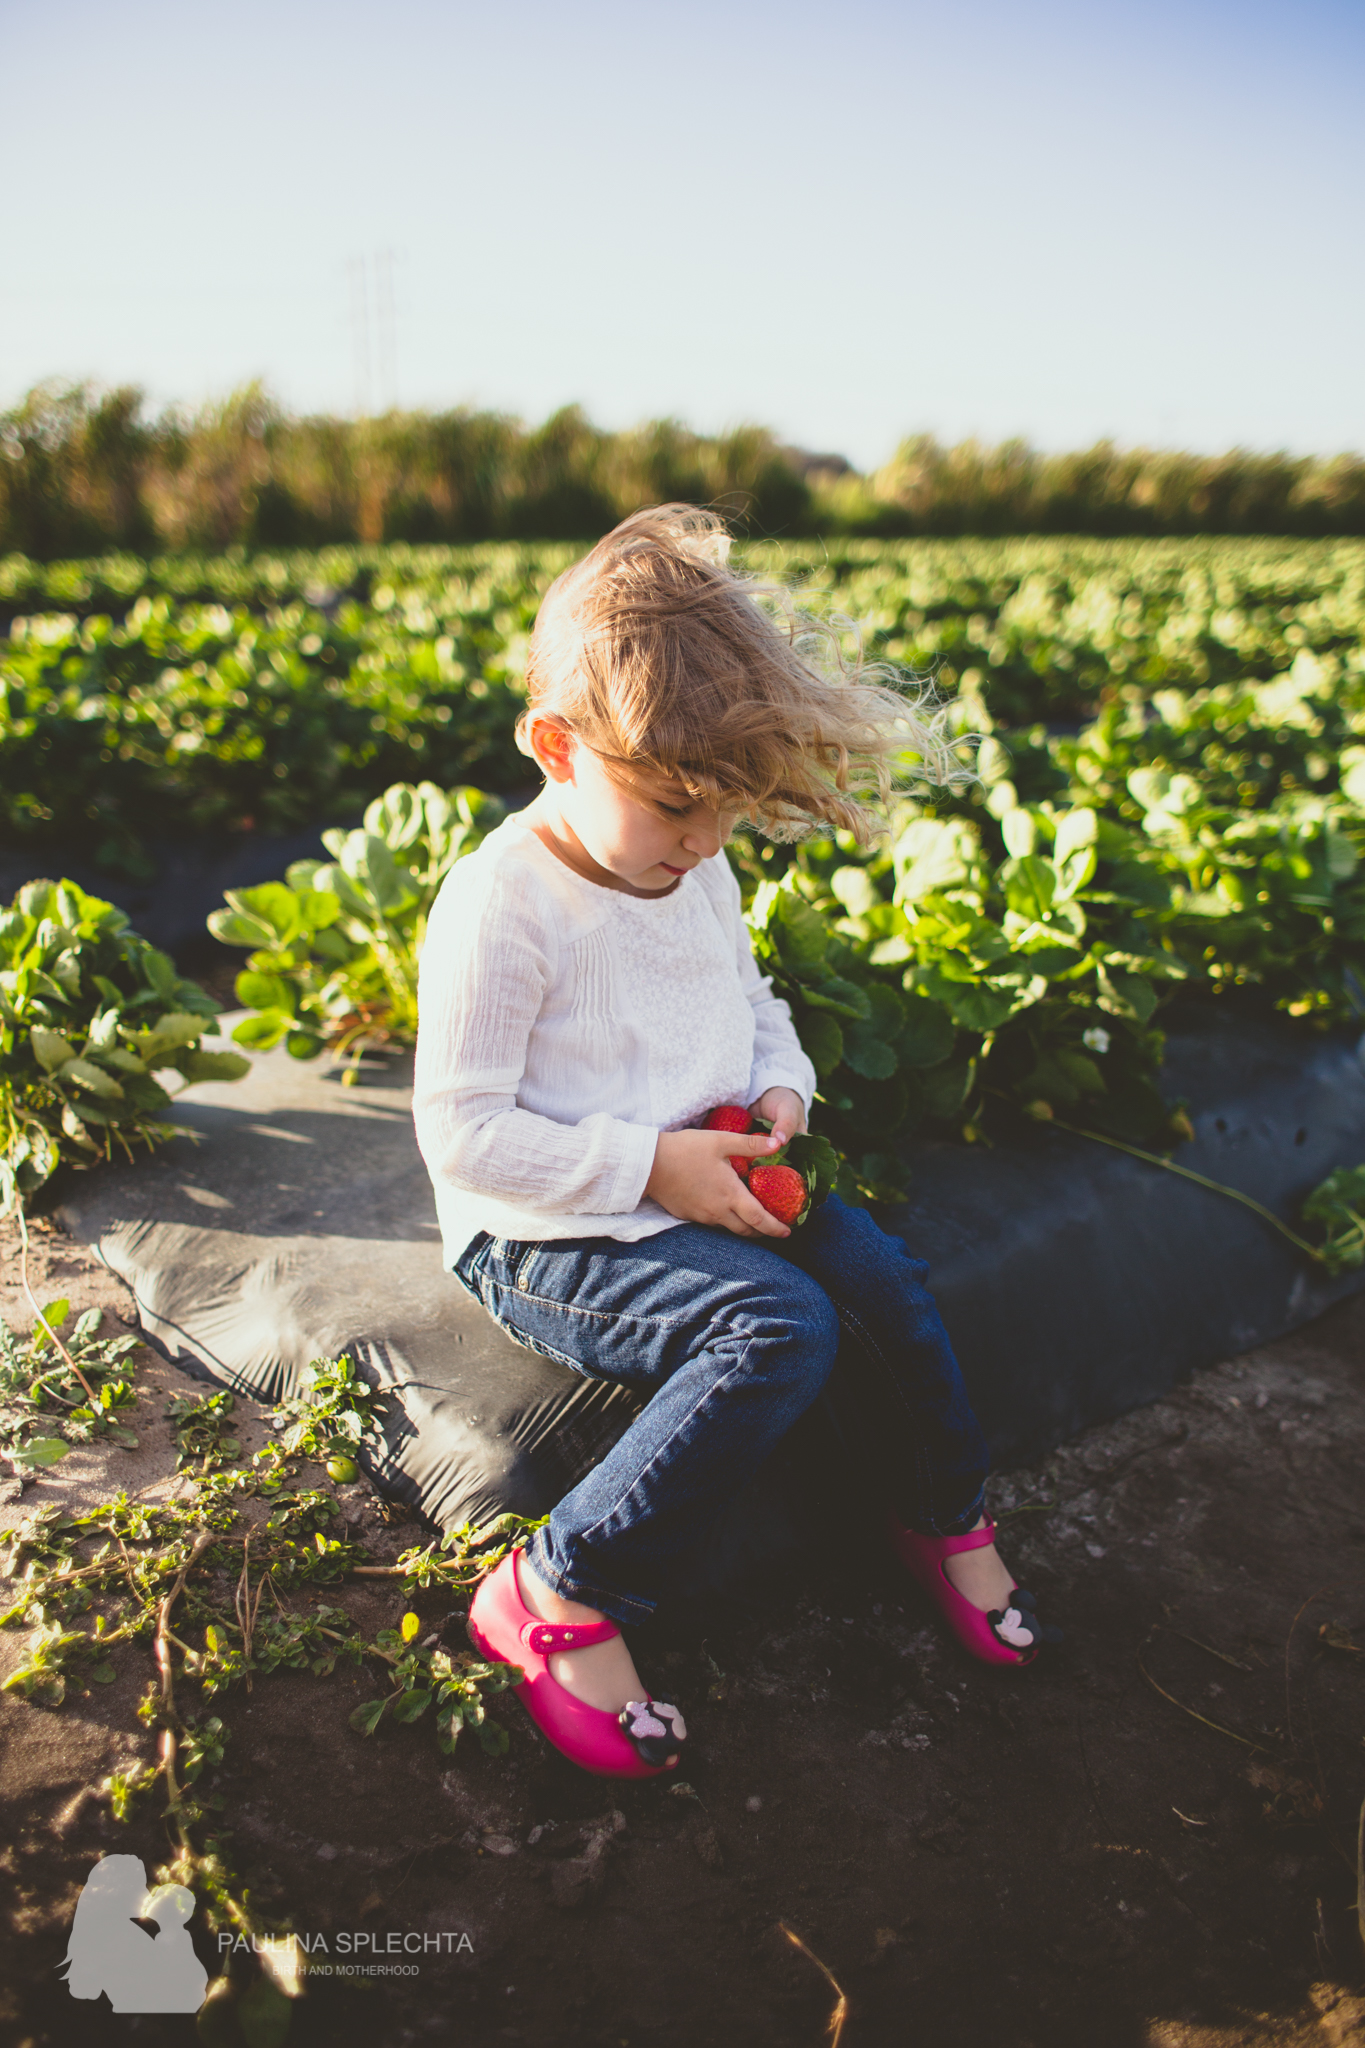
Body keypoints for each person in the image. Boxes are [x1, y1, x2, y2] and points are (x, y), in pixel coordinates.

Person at [413, 505, 1059, 1780]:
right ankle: (557, 1587)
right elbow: (466, 1130)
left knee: (874, 1271)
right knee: (777, 1326)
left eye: (726, 810)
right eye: (672, 806)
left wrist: (778, 1096)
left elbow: (748, 1005)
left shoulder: (688, 862)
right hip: (550, 1224)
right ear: (556, 745)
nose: (707, 841)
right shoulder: (503, 905)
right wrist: (648, 1165)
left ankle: (944, 1516)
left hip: (705, 1169)